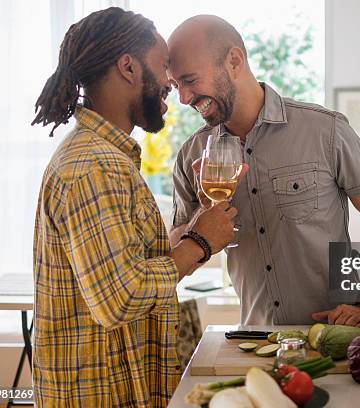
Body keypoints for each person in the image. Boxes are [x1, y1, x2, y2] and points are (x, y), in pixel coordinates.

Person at [31, 8, 237, 407]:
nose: (171, 89)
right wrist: (200, 241)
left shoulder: (106, 157)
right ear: (128, 66)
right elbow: (121, 298)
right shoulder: (93, 166)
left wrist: (197, 224)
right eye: (164, 70)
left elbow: (133, 269)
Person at [168, 15, 360, 329]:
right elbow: (178, 253)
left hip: (336, 339)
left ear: (234, 61)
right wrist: (204, 219)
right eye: (175, 86)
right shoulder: (192, 156)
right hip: (254, 341)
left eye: (190, 80)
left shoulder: (326, 130)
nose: (183, 98)